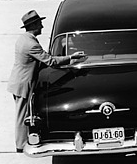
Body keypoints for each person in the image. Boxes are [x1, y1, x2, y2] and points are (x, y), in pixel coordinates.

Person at [7, 10, 86, 152]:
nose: (42, 26)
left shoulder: (24, 39)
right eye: (40, 24)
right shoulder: (31, 44)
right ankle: (20, 145)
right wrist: (71, 57)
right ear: (34, 25)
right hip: (23, 84)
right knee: (22, 115)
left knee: (24, 113)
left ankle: (22, 142)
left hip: (19, 81)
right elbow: (50, 61)